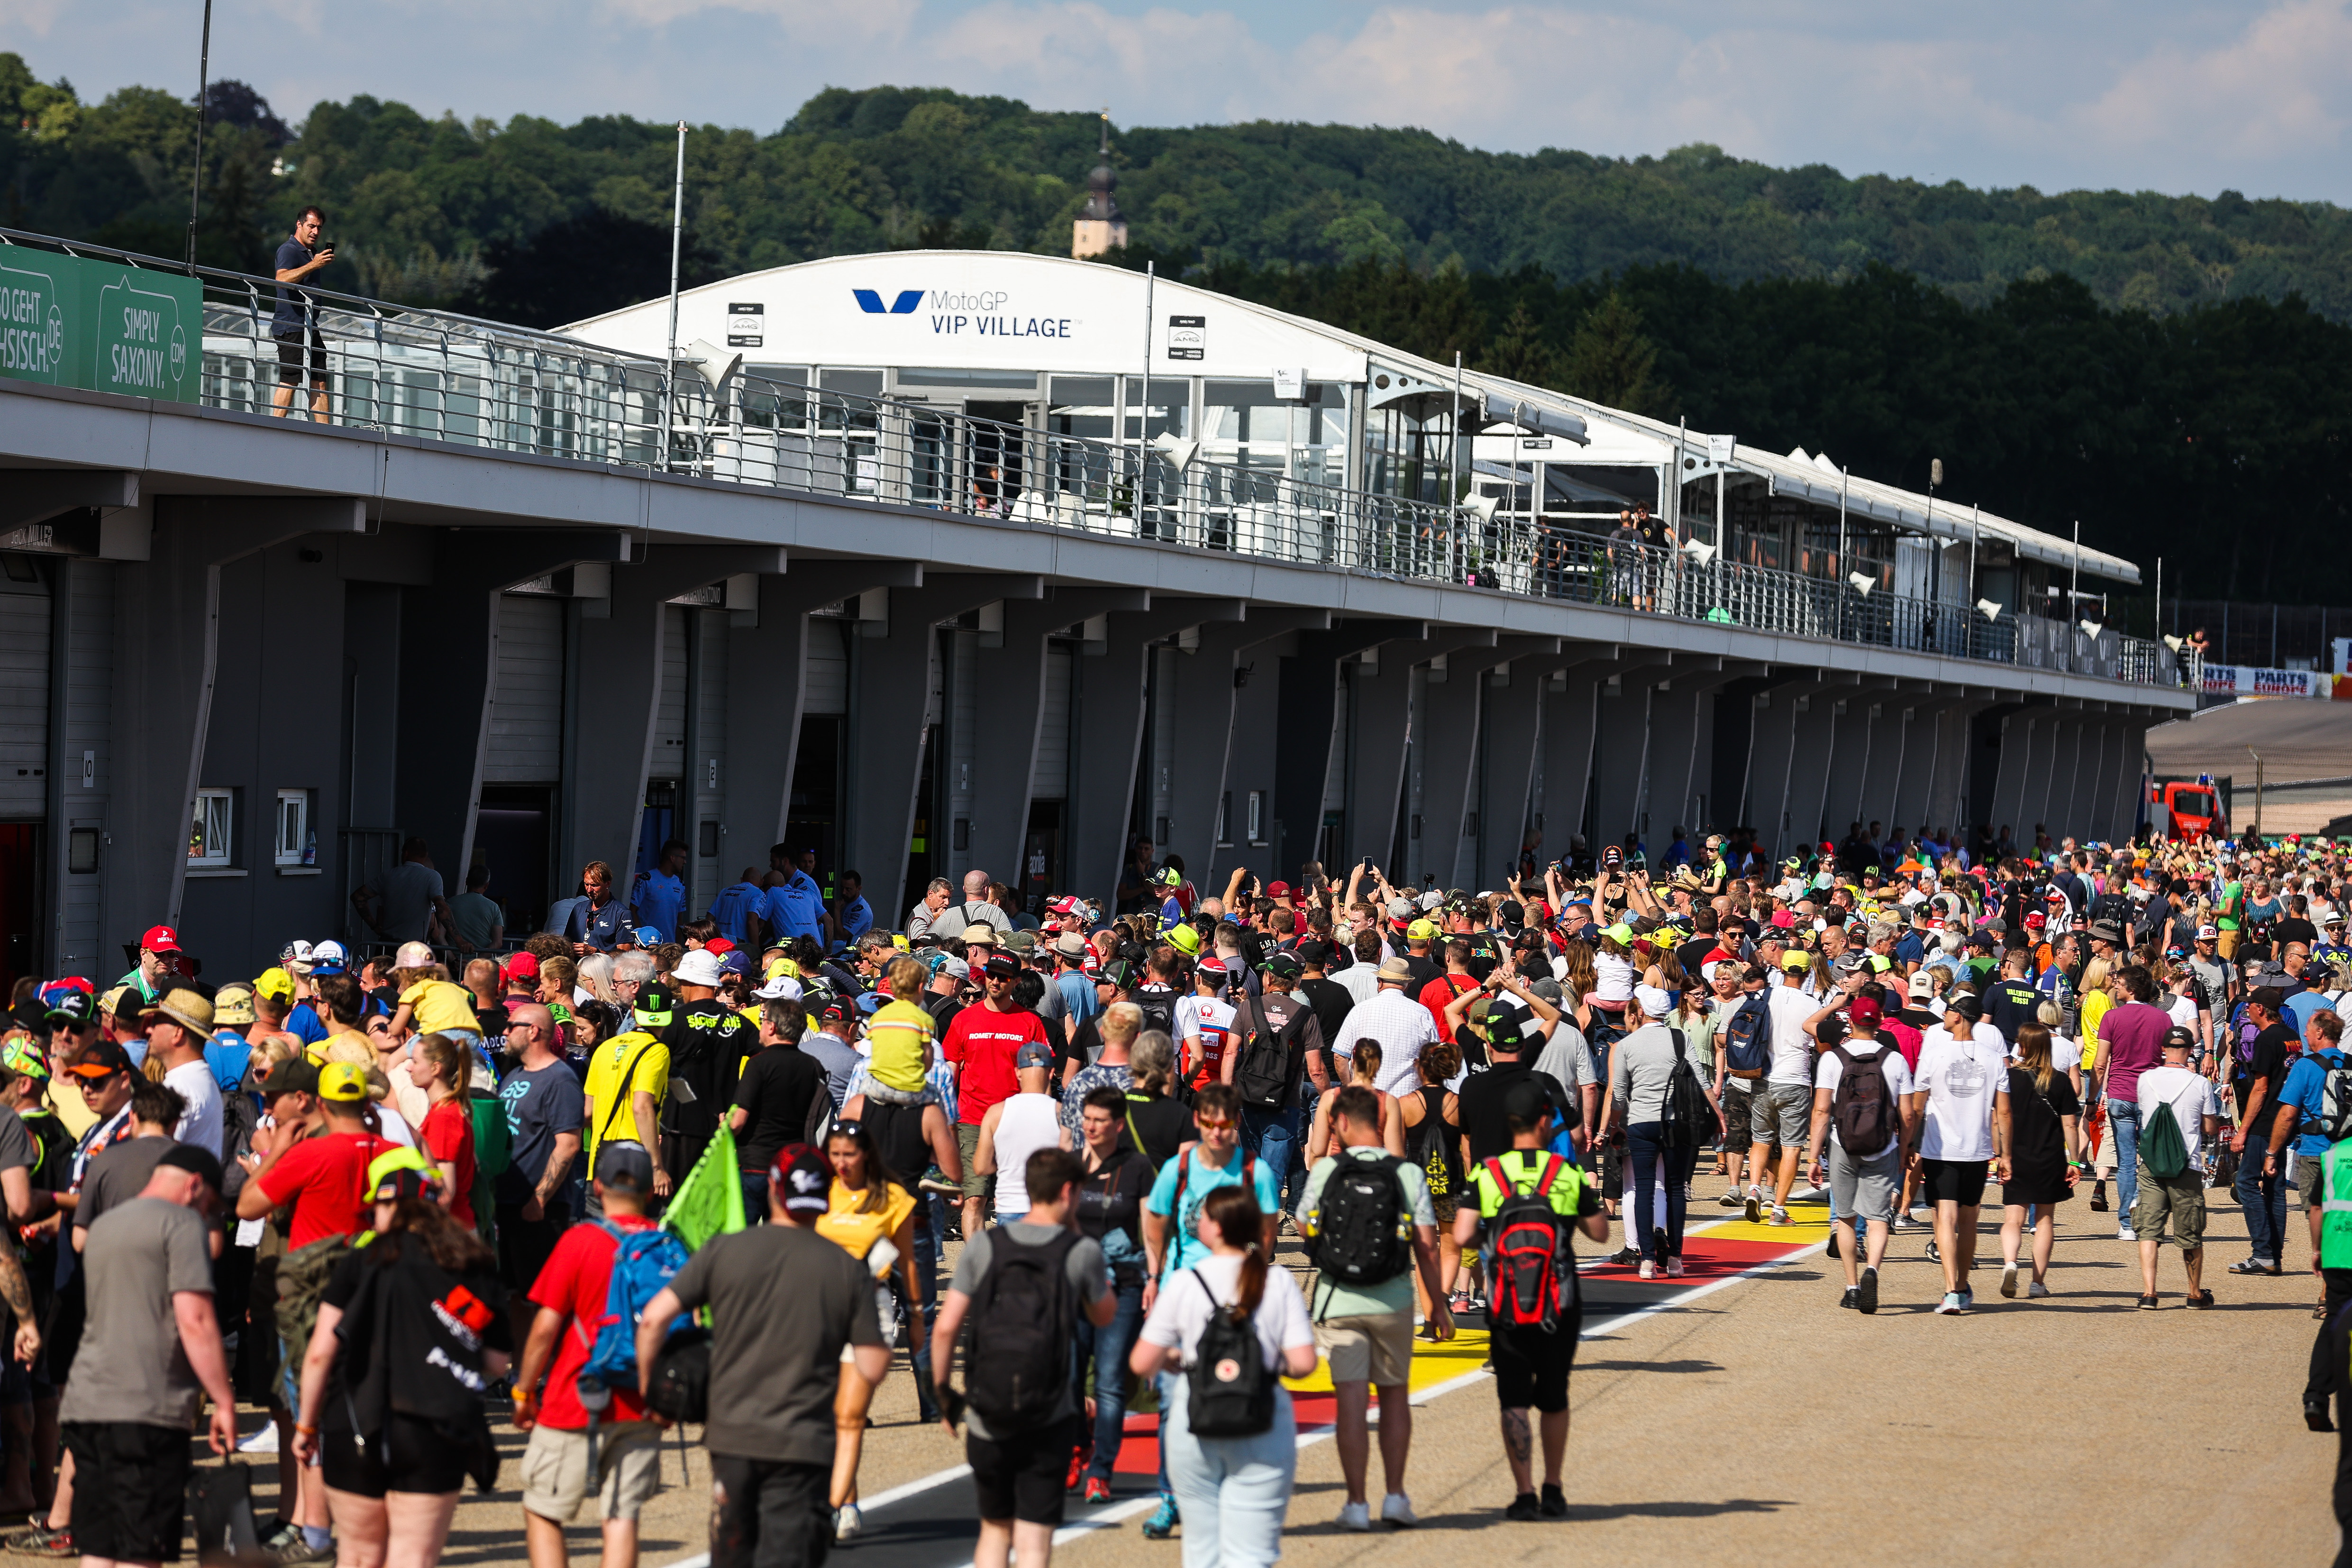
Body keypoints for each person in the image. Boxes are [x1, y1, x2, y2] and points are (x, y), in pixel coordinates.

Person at [638, 1143, 886, 1568]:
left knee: (734, 1551)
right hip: (803, 1440)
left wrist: (650, 1393)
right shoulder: (846, 1268)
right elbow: (873, 1365)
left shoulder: (724, 1250)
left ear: (773, 1189)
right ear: (824, 1198)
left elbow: (653, 1320)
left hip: (733, 1434)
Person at [291, 1149, 510, 1568]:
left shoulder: (360, 1261)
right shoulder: (472, 1264)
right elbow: (497, 1364)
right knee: (413, 1557)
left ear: (390, 1207)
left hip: (355, 1420)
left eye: (375, 1210)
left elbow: (320, 1353)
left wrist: (306, 1425)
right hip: (435, 1424)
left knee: (358, 1556)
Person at [924, 1147, 1112, 1568]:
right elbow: (1106, 1315)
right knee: (1033, 1539)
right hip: (1050, 1411)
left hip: (989, 1409)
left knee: (995, 1530)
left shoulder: (985, 1247)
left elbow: (947, 1327)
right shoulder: (1079, 1251)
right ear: (1069, 1192)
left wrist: (942, 1393)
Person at [59, 1146, 236, 1568]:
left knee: (99, 1545)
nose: (206, 1217)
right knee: (142, 1548)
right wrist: (224, 1400)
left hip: (87, 1404)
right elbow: (195, 1319)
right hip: (145, 1407)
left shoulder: (104, 1226)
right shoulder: (181, 1223)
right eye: (209, 1206)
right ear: (195, 1186)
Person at [1129, 1185, 1317, 1565]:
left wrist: (1177, 1358)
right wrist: (1262, 1362)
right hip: (1262, 1415)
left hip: (1195, 1415)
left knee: (1201, 1549)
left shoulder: (1186, 1280)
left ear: (1214, 1227)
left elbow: (1141, 1362)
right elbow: (1303, 1363)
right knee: (1253, 1552)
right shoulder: (1277, 1280)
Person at [1295, 1085, 1451, 1530]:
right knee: (1394, 1396)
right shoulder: (1406, 1173)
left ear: (1342, 1123)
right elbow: (1426, 1246)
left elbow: (1305, 1226)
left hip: (1339, 1299)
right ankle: (1396, 1496)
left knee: (1351, 1402)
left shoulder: (1327, 1170)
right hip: (1393, 1298)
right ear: (1381, 1123)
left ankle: (1357, 1503)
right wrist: (1437, 1307)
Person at [1451, 1080, 1607, 1520]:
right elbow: (1600, 1232)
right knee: (1555, 1395)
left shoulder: (1489, 1174)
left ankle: (1524, 1494)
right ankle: (1553, 1488)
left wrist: (1492, 1238)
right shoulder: (1565, 1174)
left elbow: (1462, 1234)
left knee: (1513, 1397)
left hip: (1506, 1301)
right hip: (1559, 1301)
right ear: (1544, 1121)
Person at [511, 1145, 667, 1568]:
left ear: (597, 1187)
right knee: (621, 1517)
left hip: (576, 1396)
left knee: (543, 1509)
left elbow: (544, 1329)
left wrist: (524, 1391)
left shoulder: (580, 1241)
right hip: (641, 1401)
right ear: (648, 1192)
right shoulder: (665, 1246)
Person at [1137, 1083, 1278, 1538]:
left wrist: (1250, 1270)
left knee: (1232, 1395)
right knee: (1171, 1406)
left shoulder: (1254, 1172)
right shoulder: (1178, 1169)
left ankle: (1224, 1491)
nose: (1217, 1133)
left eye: (1226, 1124)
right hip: (1182, 1295)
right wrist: (1155, 1275)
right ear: (1197, 1120)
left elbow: (1267, 1235)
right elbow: (1155, 1221)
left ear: (1236, 1122)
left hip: (1235, 1303)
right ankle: (1169, 1496)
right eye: (1209, 1123)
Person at [814, 1120, 920, 1543]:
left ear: (867, 1155)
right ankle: (846, 1501)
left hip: (870, 1309)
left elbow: (907, 1261)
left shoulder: (892, 1198)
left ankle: (834, 1506)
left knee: (850, 1415)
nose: (842, 1163)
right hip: (821, 1310)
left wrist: (917, 1315)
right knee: (827, 1415)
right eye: (835, 1154)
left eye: (849, 1155)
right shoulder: (820, 1192)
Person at [1805, 994, 1916, 1314]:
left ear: (1850, 1022)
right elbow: (1908, 1115)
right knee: (1878, 1218)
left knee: (1846, 1218)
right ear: (1879, 1022)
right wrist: (1905, 1149)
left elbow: (1821, 1111)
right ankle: (1873, 1271)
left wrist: (1814, 1157)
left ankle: (1852, 1287)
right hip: (1883, 1146)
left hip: (1843, 1144)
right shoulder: (1895, 1060)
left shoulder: (1833, 1059)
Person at [1605, 984, 1721, 1278]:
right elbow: (1701, 1080)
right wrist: (1719, 1115)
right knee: (1675, 1188)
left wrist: (1615, 1126)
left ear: (1641, 1011)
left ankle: (1646, 1260)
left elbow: (1619, 1094)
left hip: (1641, 1122)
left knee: (1643, 1189)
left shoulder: (1627, 1045)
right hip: (1676, 1122)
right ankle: (1675, 1259)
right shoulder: (1679, 1038)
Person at [1071, 1086, 1151, 1501]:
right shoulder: (1072, 1166)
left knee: (1109, 1381)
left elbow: (1151, 1230)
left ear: (1119, 1125)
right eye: (1087, 1119)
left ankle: (1101, 1471)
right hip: (1077, 1285)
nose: (1091, 1127)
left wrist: (1155, 1278)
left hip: (1123, 1284)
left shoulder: (1137, 1168)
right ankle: (1076, 1444)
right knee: (1068, 1377)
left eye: (1100, 1120)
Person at [491, 1003, 584, 1330]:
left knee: (545, 1301)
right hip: (508, 1204)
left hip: (539, 1211)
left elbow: (568, 1144)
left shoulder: (560, 1080)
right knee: (516, 1296)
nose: (505, 1032)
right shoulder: (515, 1074)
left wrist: (540, 1199)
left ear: (533, 1031)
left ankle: (551, 1362)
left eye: (511, 1026)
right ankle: (521, 1361)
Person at [1908, 991, 2002, 1314]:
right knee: (1969, 1220)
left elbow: (1917, 1107)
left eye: (1948, 1010)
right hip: (1977, 1148)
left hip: (1941, 1148)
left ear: (1958, 1016)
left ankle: (1952, 1290)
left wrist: (1910, 1143)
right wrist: (2004, 1153)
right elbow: (2003, 1112)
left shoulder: (1934, 1054)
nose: (1944, 1015)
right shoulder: (1993, 1057)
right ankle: (1961, 1286)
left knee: (1946, 1220)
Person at [945, 952, 1051, 1238]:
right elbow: (950, 1070)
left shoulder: (1030, 1022)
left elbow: (1043, 1073)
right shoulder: (964, 1019)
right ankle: (978, 1261)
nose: (995, 981)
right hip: (972, 1119)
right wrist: (947, 1118)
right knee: (975, 1199)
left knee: (1019, 1200)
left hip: (1016, 1121)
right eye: (991, 974)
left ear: (1016, 982)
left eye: (1003, 977)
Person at [1993, 1020, 2082, 1300]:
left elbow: (1998, 1119)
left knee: (2013, 1218)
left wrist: (1999, 1154)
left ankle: (2010, 1262)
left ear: (2022, 1047)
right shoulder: (2060, 1080)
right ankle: (2037, 1283)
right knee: (2044, 1220)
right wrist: (2076, 1161)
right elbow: (2070, 1124)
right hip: (2050, 1157)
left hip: (2015, 1155)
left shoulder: (2008, 1078)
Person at [2133, 1027, 2220, 1310]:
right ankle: (2194, 1294)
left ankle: (2149, 1293)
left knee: (2149, 1229)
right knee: (2190, 1231)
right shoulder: (2200, 1084)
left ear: (2163, 1049)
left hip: (2151, 1164)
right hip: (2187, 1165)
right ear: (2191, 1050)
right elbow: (2210, 1128)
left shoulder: (2145, 1079)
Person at [2232, 986, 2297, 1277]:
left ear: (2261, 1009)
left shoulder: (2267, 1038)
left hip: (2265, 1121)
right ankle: (2273, 1256)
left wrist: (2243, 1131)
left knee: (2246, 1182)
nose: (2247, 1009)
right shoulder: (2292, 1037)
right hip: (2285, 1119)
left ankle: (2263, 1253)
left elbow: (2260, 1088)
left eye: (2250, 1005)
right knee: (2275, 1188)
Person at [976, 1042, 1072, 1226]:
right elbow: (1071, 1162)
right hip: (1049, 1207)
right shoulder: (1062, 1113)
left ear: (1018, 1072)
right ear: (1051, 1073)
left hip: (1010, 1206)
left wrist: (1006, 1164)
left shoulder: (996, 1113)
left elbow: (981, 1167)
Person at [1331, 957, 1439, 1094]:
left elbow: (1340, 1057)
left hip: (1366, 1097)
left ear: (1380, 982)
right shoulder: (1422, 1013)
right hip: (1406, 1097)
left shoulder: (1359, 1010)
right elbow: (1434, 1056)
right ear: (1407, 985)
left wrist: (1350, 1088)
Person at [406, 1032, 480, 1230]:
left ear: (436, 1068)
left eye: (415, 1061)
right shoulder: (445, 1110)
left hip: (451, 1231)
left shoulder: (444, 1117)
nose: (408, 1067)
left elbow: (445, 1195)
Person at [271, 205, 335, 420]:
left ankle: (325, 433)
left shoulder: (312, 253)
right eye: (311, 226)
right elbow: (282, 279)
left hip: (309, 326)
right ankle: (274, 428)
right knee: (290, 379)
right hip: (291, 326)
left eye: (319, 228)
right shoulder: (289, 250)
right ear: (299, 225)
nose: (315, 232)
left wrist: (315, 262)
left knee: (320, 381)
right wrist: (313, 265)